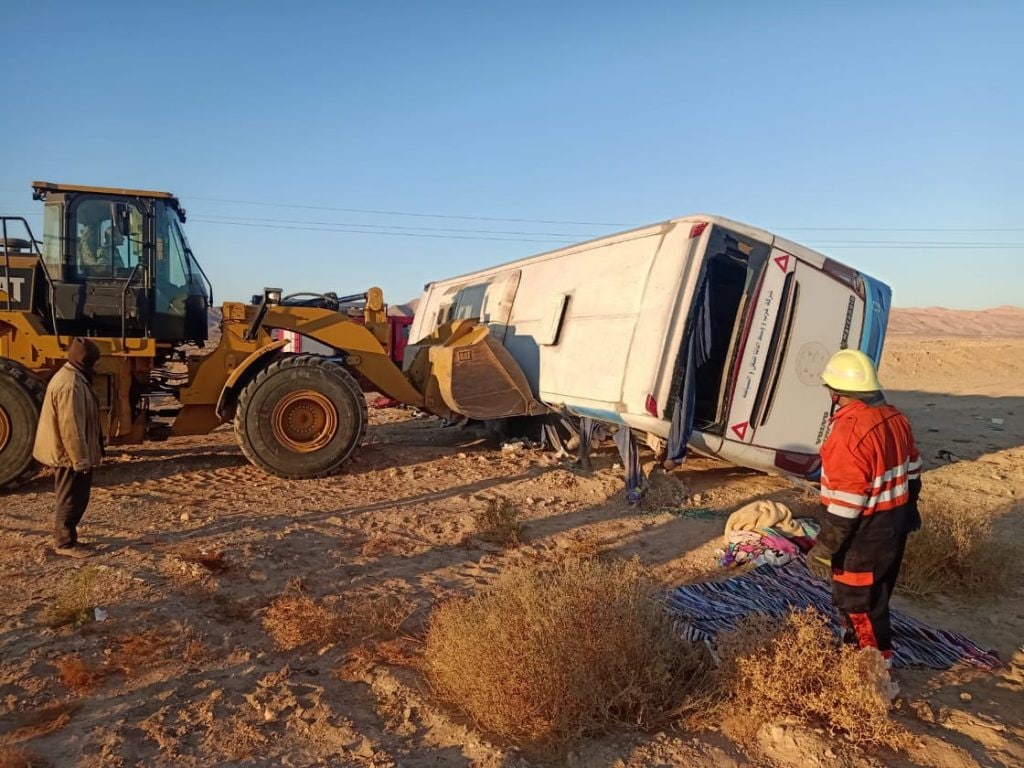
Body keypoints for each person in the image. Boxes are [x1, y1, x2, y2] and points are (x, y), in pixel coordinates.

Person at [807, 349, 922, 665]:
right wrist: (910, 509)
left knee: (856, 604)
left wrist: (825, 546)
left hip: (863, 534)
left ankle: (870, 669)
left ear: (835, 391)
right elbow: (913, 468)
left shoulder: (848, 433)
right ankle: (863, 652)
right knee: (878, 596)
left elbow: (847, 502)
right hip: (893, 525)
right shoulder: (896, 418)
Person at [32, 338, 104, 558]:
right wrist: (80, 460)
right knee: (70, 497)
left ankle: (68, 539)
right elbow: (71, 428)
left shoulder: (75, 378)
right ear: (85, 360)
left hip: (70, 453)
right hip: (67, 454)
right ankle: (65, 544)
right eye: (95, 361)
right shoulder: (70, 385)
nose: (97, 366)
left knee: (76, 496)